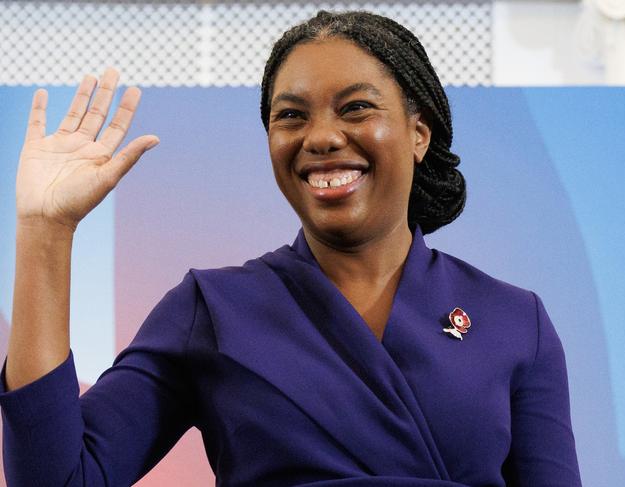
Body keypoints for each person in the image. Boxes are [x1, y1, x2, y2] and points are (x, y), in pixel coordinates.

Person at [0, 10, 581, 487]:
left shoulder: (514, 320)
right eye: (291, 116)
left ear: (418, 134)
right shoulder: (211, 307)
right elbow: (57, 479)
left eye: (356, 107)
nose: (321, 137)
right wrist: (44, 231)